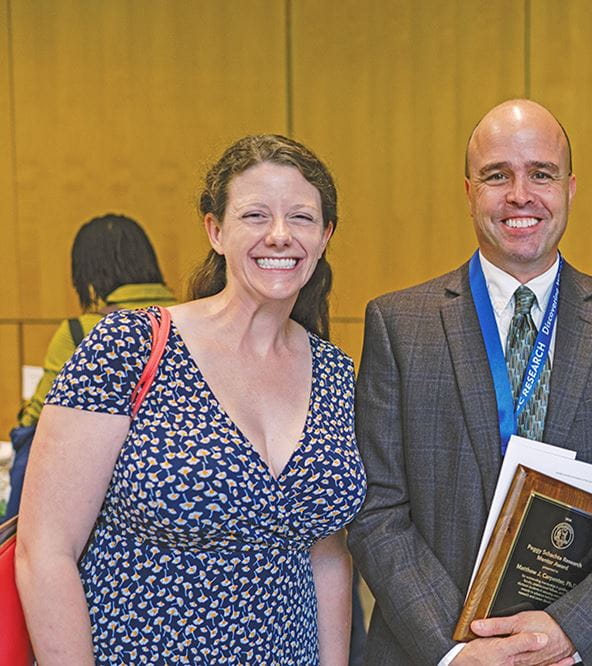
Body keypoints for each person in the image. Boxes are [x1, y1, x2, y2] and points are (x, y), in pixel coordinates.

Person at [348, 99, 592, 666]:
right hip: (436, 651)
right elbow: (377, 507)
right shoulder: (397, 325)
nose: (520, 194)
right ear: (468, 192)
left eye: (541, 174)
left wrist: (569, 629)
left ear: (570, 187)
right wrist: (457, 650)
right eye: (496, 175)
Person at [16, 134, 365, 664]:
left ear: (324, 237)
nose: (279, 236)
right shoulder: (128, 347)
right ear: (216, 230)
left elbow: (327, 558)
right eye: (254, 216)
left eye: (301, 218)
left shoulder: (334, 372)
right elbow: (45, 552)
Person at [3, 213, 176, 521]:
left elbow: (41, 415)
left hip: (90, 496)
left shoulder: (81, 332)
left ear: (86, 273)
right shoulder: (192, 321)